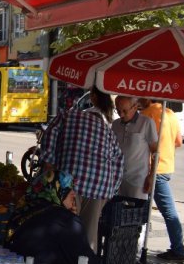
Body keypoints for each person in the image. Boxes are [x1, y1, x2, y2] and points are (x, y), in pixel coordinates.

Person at [40, 87, 124, 252]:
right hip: (100, 185)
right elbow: (119, 162)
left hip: (71, 179)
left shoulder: (66, 117)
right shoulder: (107, 130)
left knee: (64, 226)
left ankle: (63, 263)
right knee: (88, 233)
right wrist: (109, 192)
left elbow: (48, 141)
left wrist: (48, 172)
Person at [7, 170, 103, 264]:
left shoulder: (21, 210)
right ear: (59, 191)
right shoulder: (66, 220)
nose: (74, 195)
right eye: (69, 190)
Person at [140, 98, 184, 262]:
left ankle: (178, 249)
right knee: (146, 208)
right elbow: (179, 142)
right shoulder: (170, 113)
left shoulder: (146, 115)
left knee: (166, 211)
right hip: (167, 167)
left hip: (153, 170)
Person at [111, 95, 157, 201]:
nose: (121, 114)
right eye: (118, 110)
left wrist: (152, 176)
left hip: (138, 180)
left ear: (135, 107)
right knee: (115, 212)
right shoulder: (115, 124)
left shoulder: (147, 123)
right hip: (116, 178)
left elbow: (155, 151)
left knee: (135, 213)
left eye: (124, 111)